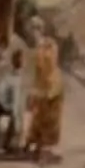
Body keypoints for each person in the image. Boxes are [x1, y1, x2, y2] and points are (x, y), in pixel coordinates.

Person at [25, 22, 66, 160]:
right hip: (42, 83)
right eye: (31, 30)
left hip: (52, 82)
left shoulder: (49, 45)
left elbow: (50, 65)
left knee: (48, 117)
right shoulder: (37, 47)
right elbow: (35, 70)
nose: (32, 33)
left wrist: (44, 87)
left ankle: (41, 148)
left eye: (34, 30)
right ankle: (33, 143)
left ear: (39, 30)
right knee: (37, 115)